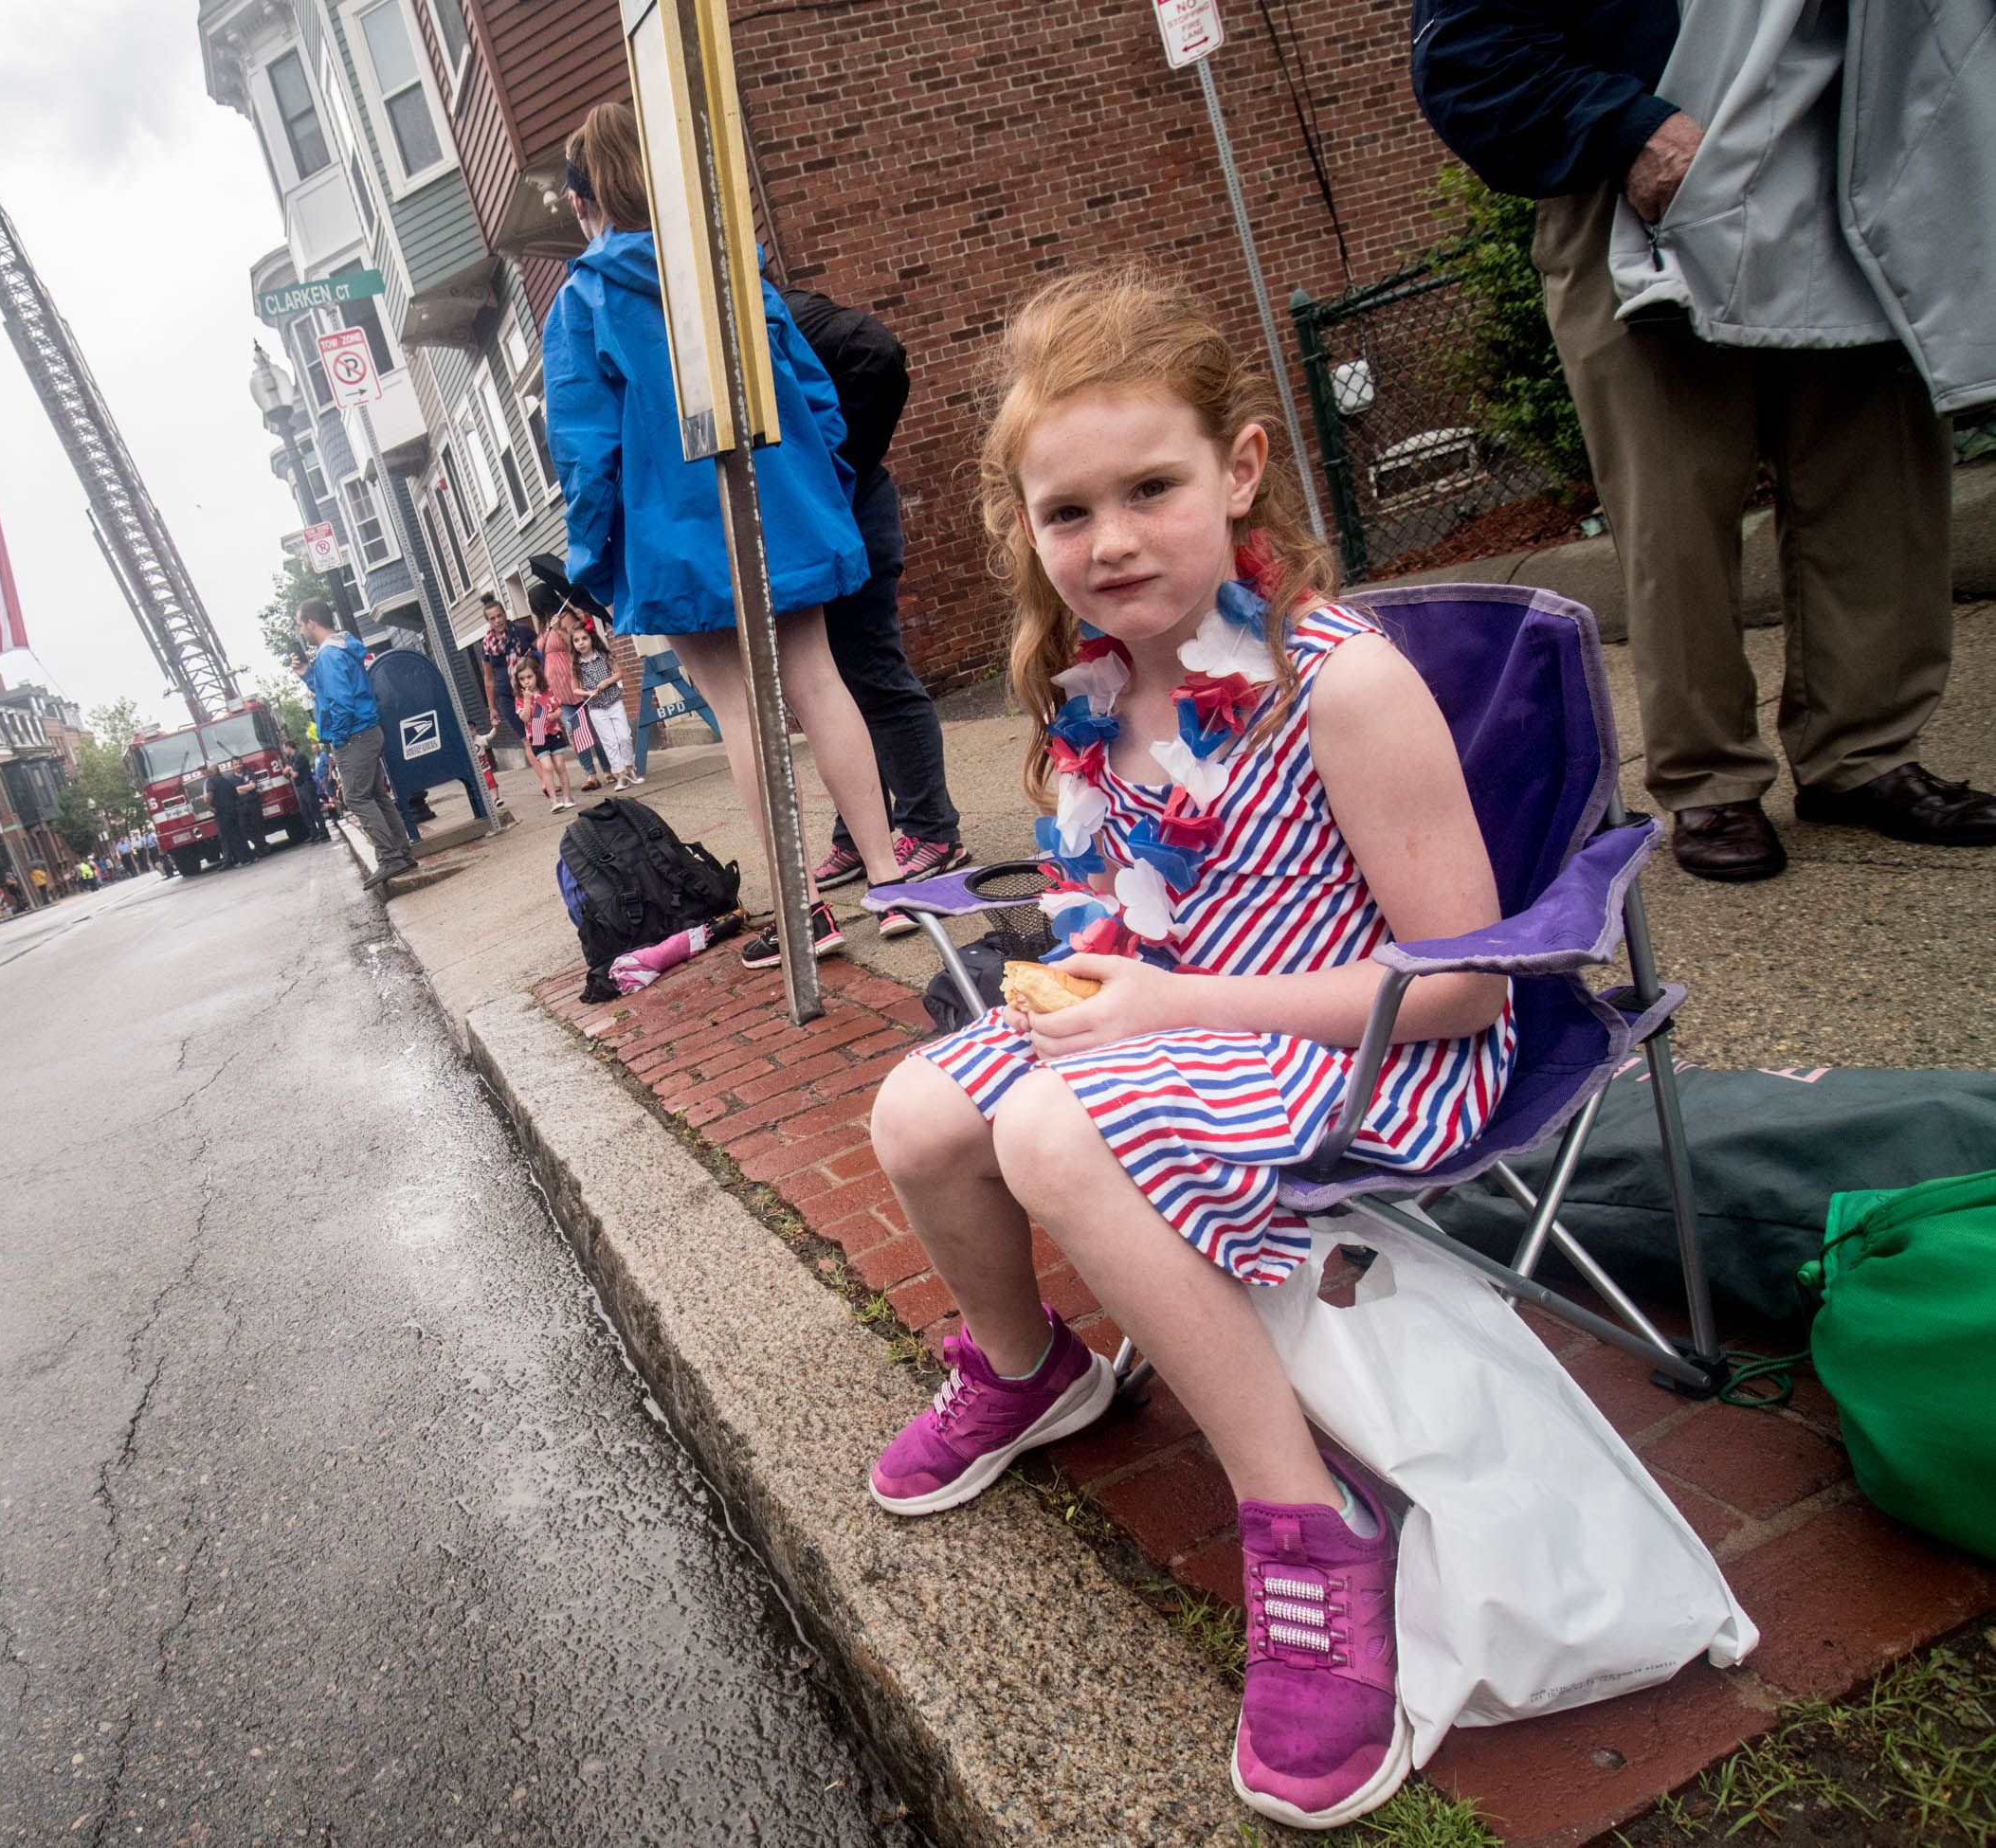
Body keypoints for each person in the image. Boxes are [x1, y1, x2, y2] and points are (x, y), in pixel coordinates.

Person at [866, 271, 1522, 1830]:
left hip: (1375, 1050)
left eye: (1149, 488)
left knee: (1051, 1133)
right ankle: (1030, 1374)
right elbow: (1130, 916)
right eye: (1067, 511)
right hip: (1176, 1025)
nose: (1111, 541)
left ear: (1237, 471)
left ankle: (1307, 1522)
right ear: (1027, 531)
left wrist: (1166, 1010)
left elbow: (1465, 987)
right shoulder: (1093, 695)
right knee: (915, 1109)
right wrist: (1105, 984)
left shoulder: (1337, 684)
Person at [1412, 0, 1996, 879]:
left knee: (1879, 480)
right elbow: (1468, 59)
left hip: (1849, 166)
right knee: (1672, 508)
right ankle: (1708, 779)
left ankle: (1865, 752)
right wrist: (1628, 129)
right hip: (1638, 191)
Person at [545, 100, 905, 971]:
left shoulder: (584, 300)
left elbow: (587, 455)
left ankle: (806, 910)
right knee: (819, 682)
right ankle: (895, 882)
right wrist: (819, 488)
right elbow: (813, 392)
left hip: (671, 532)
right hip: (778, 503)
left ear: (585, 199)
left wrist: (592, 559)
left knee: (740, 709)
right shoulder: (728, 272)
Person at [781, 284, 969, 900]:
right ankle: (862, 833)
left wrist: (842, 465)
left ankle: (932, 829)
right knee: (831, 686)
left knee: (873, 670)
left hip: (852, 511)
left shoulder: (774, 313)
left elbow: (877, 352)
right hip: (817, 522)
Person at [300, 599, 425, 888]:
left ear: (311, 622)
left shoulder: (328, 655)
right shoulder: (341, 647)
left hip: (354, 735)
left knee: (356, 797)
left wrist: (338, 738)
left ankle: (390, 858)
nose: (301, 631)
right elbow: (335, 690)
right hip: (367, 730)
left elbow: (340, 701)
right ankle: (401, 853)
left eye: (300, 624)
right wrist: (307, 675)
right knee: (377, 796)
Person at [535, 587, 609, 791]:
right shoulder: (543, 624)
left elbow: (577, 644)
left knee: (593, 728)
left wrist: (559, 629)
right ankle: (590, 775)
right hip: (557, 687)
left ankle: (608, 768)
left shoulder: (565, 617)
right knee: (575, 730)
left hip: (575, 681)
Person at [567, 613, 639, 789]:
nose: (581, 643)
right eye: (577, 640)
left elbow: (619, 673)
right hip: (596, 708)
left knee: (624, 736)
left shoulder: (604, 655)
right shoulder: (576, 665)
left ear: (592, 638)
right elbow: (574, 689)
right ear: (573, 644)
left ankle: (629, 767)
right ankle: (620, 775)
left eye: (584, 638)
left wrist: (607, 681)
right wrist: (587, 693)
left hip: (614, 701)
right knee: (609, 742)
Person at [510, 654, 578, 813]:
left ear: (537, 675)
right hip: (537, 736)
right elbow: (524, 718)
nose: (526, 681)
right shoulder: (520, 698)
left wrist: (554, 715)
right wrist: (527, 700)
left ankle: (567, 797)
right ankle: (554, 801)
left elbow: (558, 709)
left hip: (553, 733)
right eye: (522, 679)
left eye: (529, 677)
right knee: (547, 767)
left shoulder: (547, 692)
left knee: (560, 766)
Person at [475, 592, 537, 755]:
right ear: (488, 622)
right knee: (526, 739)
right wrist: (492, 708)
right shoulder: (486, 645)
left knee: (542, 733)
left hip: (531, 691)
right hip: (506, 697)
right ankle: (544, 774)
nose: (497, 621)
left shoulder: (521, 631)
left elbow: (542, 652)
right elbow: (489, 679)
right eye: (492, 618)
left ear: (504, 614)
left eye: (499, 615)